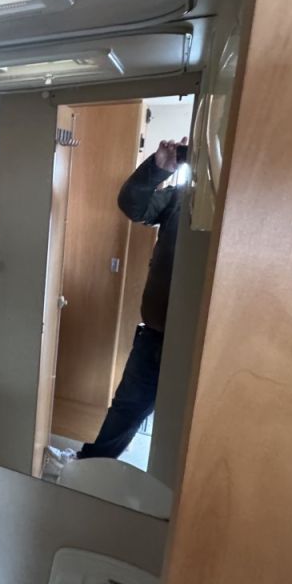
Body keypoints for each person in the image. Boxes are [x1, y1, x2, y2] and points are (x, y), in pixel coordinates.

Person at [76, 137, 186, 460]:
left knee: (181, 429)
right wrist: (158, 169)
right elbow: (132, 205)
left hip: (198, 350)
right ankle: (91, 468)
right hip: (154, 336)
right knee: (124, 411)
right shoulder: (180, 197)